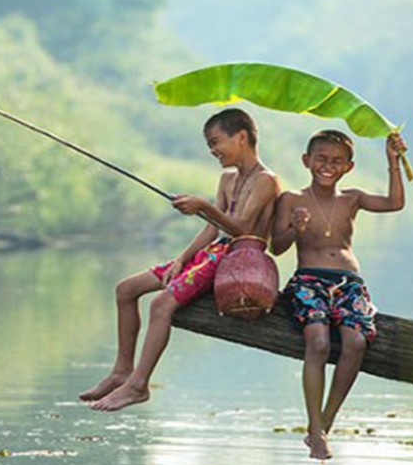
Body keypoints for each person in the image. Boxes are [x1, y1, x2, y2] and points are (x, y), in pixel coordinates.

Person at [81, 108, 281, 412]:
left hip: (238, 259)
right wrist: (181, 259)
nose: (213, 150)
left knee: (161, 304)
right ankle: (122, 371)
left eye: (216, 142)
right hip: (210, 255)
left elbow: (240, 227)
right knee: (125, 289)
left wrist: (203, 204)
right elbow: (212, 230)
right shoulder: (227, 178)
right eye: (209, 145)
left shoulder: (266, 180)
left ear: (241, 137)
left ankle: (138, 385)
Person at [270, 129, 407, 460]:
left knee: (356, 343)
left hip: (349, 282)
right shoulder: (291, 199)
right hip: (309, 280)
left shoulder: (353, 198)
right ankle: (314, 426)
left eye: (336, 161)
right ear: (307, 160)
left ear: (348, 166)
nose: (327, 166)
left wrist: (393, 161)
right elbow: (277, 246)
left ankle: (323, 427)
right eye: (321, 159)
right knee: (316, 342)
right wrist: (295, 228)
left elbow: (395, 203)